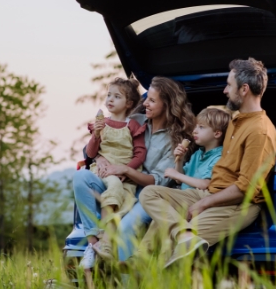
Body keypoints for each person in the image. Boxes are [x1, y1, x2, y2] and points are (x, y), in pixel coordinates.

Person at [139, 58, 276, 268]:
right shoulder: (237, 121)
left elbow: (246, 189)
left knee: (175, 253)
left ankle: (175, 248)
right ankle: (182, 235)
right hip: (210, 193)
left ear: (244, 89)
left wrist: (203, 203)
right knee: (150, 193)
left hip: (236, 204)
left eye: (229, 85)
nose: (225, 90)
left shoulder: (260, 131)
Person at [73, 76, 195, 270]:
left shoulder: (175, 139)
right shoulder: (134, 120)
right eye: (147, 98)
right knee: (81, 177)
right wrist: (100, 159)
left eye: (152, 100)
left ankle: (126, 279)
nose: (145, 103)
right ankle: (94, 244)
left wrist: (125, 169)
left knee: (126, 227)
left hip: (148, 195)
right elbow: (98, 148)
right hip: (116, 184)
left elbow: (159, 182)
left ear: (167, 105)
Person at [80, 76, 146, 264]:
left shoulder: (133, 126)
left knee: (118, 185)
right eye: (109, 95)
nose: (110, 99)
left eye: (117, 96)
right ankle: (105, 238)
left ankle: (105, 242)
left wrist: (125, 170)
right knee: (114, 185)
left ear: (129, 103)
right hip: (102, 172)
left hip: (122, 173)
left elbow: (140, 154)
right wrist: (96, 135)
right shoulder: (101, 125)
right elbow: (92, 153)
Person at [164, 108, 231, 191]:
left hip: (197, 197)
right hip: (183, 194)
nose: (194, 131)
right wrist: (179, 160)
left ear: (217, 134)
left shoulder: (219, 157)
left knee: (150, 192)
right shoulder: (198, 154)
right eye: (195, 127)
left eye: (201, 127)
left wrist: (176, 175)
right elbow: (178, 181)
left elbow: (205, 184)